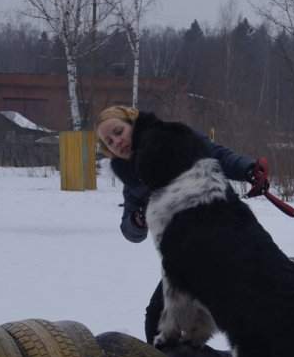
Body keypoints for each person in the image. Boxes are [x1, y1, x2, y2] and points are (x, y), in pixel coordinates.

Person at [95, 105, 265, 342]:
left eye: (118, 131)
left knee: (247, 315)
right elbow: (131, 232)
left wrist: (248, 169)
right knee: (157, 320)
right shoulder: (131, 180)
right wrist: (137, 220)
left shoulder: (175, 138)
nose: (117, 141)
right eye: (109, 141)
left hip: (226, 239)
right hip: (186, 256)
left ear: (132, 123)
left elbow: (218, 155)